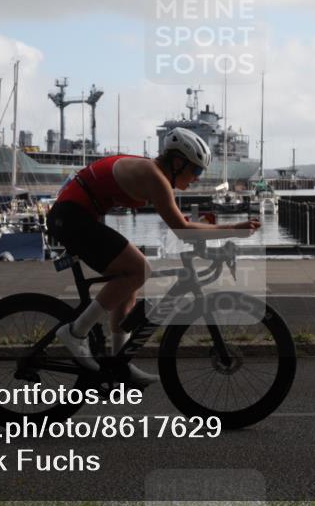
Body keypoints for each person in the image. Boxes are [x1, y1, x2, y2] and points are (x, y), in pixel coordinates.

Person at [46, 127, 260, 386]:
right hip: (71, 217)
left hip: (75, 215)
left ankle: (119, 365)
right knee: (139, 269)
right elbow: (182, 229)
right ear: (178, 162)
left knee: (130, 283)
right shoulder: (155, 177)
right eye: (196, 170)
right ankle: (76, 331)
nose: (196, 178)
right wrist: (233, 230)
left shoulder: (153, 171)